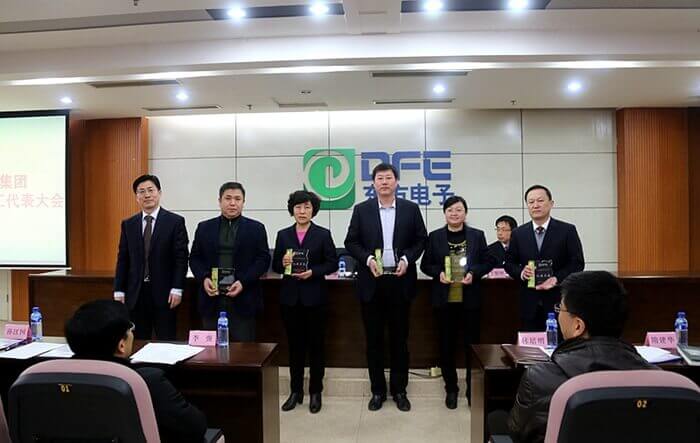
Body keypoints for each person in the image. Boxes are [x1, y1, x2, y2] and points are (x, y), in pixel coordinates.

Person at [503, 271, 655, 443]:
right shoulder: (658, 379)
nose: (558, 314)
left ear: (578, 326)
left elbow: (518, 434)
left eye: (560, 308)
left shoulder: (539, 378)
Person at [344, 163, 427, 412]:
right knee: (374, 340)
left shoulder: (411, 209)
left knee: (400, 340)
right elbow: (351, 242)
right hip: (372, 282)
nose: (384, 182)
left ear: (396, 182)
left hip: (400, 281)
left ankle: (400, 390)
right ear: (373, 183)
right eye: (379, 178)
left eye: (388, 178)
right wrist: (368, 259)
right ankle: (377, 391)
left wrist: (407, 259)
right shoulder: (362, 210)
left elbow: (421, 240)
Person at [65, 300, 207, 443]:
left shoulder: (60, 376)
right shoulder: (148, 380)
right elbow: (195, 427)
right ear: (121, 345)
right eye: (130, 329)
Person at [420, 196, 493, 409]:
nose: (454, 213)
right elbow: (425, 264)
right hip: (445, 300)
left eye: (459, 210)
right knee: (446, 345)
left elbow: (488, 261)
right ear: (445, 213)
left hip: (470, 299)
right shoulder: (435, 237)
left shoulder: (477, 236)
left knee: (472, 346)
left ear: (465, 213)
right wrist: (439, 273)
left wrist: (473, 273)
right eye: (450, 210)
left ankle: (472, 389)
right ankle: (451, 388)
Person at [272, 190, 338, 414]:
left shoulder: (323, 234)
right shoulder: (283, 235)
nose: (302, 211)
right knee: (295, 347)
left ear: (313, 210)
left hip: (315, 298)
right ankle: (295, 391)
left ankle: (316, 392)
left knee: (316, 347)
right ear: (292, 210)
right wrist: (282, 262)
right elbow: (276, 266)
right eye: (298, 207)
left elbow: (332, 263)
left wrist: (313, 272)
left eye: (307, 207)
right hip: (290, 299)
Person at [189, 182, 271, 342]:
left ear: (243, 202)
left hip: (243, 297)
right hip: (211, 297)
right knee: (211, 350)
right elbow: (195, 258)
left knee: (244, 350)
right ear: (219, 201)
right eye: (228, 198)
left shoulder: (256, 228)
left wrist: (243, 282)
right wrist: (204, 278)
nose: (232, 203)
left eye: (237, 199)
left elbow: (263, 259)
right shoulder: (204, 227)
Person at [114, 174, 189, 340]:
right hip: (136, 293)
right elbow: (123, 259)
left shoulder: (175, 222)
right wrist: (118, 289)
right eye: (141, 191)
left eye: (150, 190)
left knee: (166, 340)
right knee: (138, 341)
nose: (147, 195)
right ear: (137, 197)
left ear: (159, 193)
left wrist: (177, 288)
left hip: (165, 293)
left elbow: (181, 259)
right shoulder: (128, 224)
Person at [504, 185, 584, 331]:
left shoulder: (567, 230)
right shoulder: (518, 233)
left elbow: (577, 263)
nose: (535, 205)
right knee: (530, 342)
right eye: (531, 202)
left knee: (558, 341)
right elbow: (509, 263)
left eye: (540, 200)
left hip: (558, 300)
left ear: (551, 203)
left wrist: (556, 279)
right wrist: (521, 272)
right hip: (528, 302)